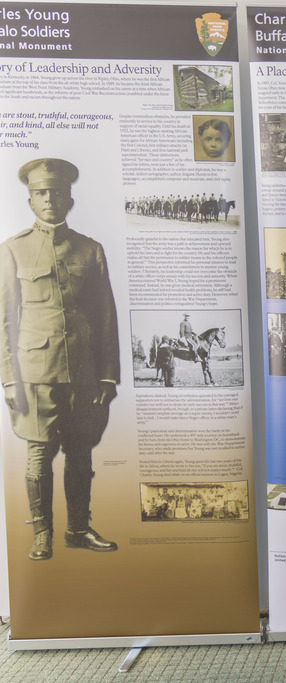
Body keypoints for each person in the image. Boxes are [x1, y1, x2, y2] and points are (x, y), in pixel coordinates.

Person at [0, 158, 120, 561]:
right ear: (31, 199)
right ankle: (42, 533)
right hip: (35, 374)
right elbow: (4, 321)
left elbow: (105, 316)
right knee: (38, 454)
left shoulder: (90, 249)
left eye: (57, 192)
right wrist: (8, 379)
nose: (50, 199)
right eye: (41, 193)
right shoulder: (12, 250)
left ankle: (78, 530)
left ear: (70, 197)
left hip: (84, 372)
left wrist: (108, 376)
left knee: (81, 451)